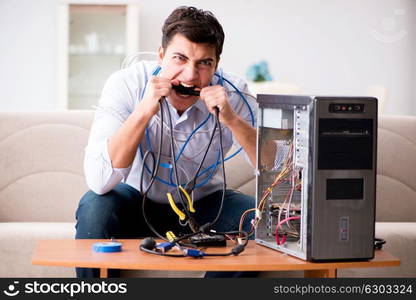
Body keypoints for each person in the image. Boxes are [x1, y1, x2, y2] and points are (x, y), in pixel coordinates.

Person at [75, 6, 257, 278]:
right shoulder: (127, 84)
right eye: (179, 59)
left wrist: (231, 120)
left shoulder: (234, 93)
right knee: (95, 205)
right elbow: (100, 180)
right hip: (135, 202)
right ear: (161, 55)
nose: (189, 76)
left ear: (216, 65)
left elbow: (276, 173)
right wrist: (145, 109)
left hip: (204, 206)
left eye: (203, 63)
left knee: (256, 217)